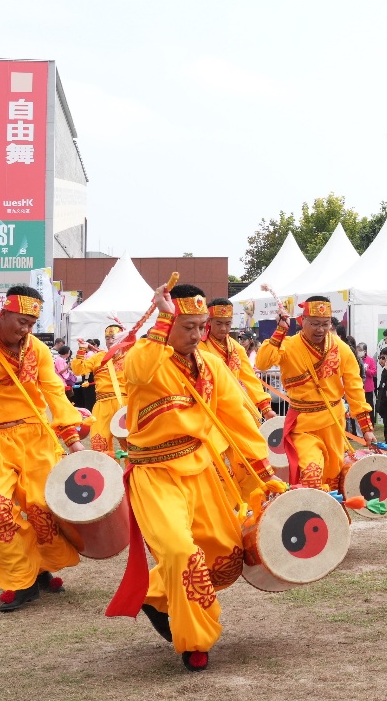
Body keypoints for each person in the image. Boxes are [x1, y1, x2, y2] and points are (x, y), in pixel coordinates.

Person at [105, 283, 279, 672]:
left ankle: (155, 593)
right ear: (168, 324)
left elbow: (238, 418)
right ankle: (195, 641)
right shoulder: (147, 359)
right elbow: (135, 369)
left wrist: (264, 473)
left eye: (202, 326)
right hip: (155, 473)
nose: (199, 335)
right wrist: (163, 316)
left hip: (201, 469)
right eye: (189, 327)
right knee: (181, 553)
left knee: (226, 557)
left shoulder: (214, 365)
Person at [0, 285, 84, 612]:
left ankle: (41, 567)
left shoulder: (36, 349)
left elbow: (54, 392)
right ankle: (19, 580)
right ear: (3, 313)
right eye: (20, 321)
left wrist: (73, 440)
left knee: (41, 508)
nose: (25, 329)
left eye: (31, 323)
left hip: (35, 436)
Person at [254, 295, 375, 489]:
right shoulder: (289, 345)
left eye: (325, 324)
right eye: (315, 323)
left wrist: (366, 428)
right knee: (311, 474)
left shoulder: (342, 349)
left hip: (333, 422)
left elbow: (354, 388)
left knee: (333, 480)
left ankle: (326, 519)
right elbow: (262, 363)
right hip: (303, 424)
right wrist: (280, 332)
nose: (320, 329)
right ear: (302, 321)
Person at [201, 299, 276, 422]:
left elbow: (250, 378)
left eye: (228, 323)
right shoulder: (198, 347)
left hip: (234, 405)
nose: (223, 328)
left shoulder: (237, 348)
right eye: (219, 323)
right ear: (209, 322)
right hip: (208, 406)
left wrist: (265, 407)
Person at [72, 323, 129, 457]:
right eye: (107, 338)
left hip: (125, 402)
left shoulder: (130, 356)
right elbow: (79, 370)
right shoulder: (99, 357)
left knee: (130, 444)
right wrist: (81, 350)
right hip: (102, 403)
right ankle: (108, 475)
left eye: (113, 338)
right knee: (99, 443)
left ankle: (131, 476)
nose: (110, 341)